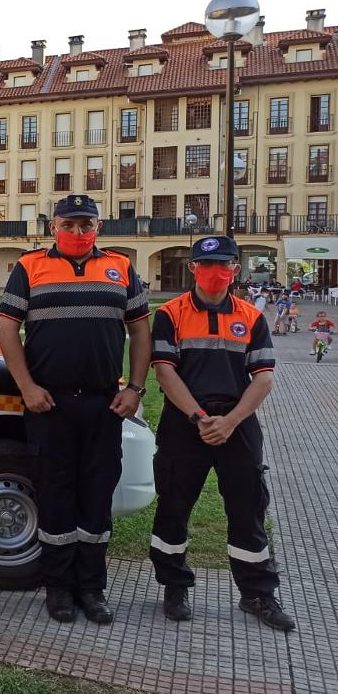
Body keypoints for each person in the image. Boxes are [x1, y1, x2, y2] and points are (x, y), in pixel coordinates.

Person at [0, 194, 150, 625]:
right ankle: (59, 588)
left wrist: (136, 388)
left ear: (98, 228)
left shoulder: (121, 266)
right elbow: (8, 331)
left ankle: (92, 588)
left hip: (105, 403)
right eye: (70, 225)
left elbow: (140, 332)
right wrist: (27, 387)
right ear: (53, 227)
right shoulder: (29, 267)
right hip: (50, 404)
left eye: (87, 225)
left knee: (97, 497)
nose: (78, 233)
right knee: (56, 494)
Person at [148, 235, 294, 631]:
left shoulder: (251, 316)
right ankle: (174, 585)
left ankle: (257, 594)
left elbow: (263, 379)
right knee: (174, 507)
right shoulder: (170, 314)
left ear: (235, 270)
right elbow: (164, 371)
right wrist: (199, 418)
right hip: (185, 422)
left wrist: (230, 421)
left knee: (248, 511)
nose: (216, 273)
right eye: (207, 265)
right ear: (194, 268)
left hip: (238, 423)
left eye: (224, 265)